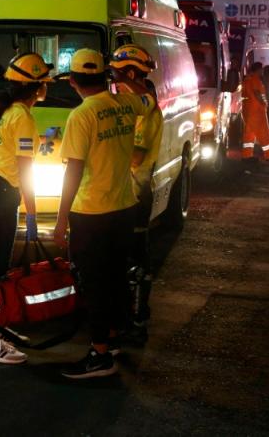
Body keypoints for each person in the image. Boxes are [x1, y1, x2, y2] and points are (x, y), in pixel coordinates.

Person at [53, 48, 155, 379]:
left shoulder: (81, 115)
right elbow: (149, 100)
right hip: (123, 208)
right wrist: (124, 77)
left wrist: (60, 218)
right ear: (104, 76)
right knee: (113, 279)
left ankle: (99, 355)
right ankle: (111, 342)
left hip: (91, 212)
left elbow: (73, 172)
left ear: (72, 81)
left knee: (95, 284)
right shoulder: (123, 103)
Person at [0, 52, 50, 365]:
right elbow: (24, 170)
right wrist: (32, 211)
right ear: (37, 88)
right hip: (4, 194)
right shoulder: (22, 116)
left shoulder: (8, 111)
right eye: (44, 81)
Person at [110, 44, 163, 345]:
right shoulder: (140, 104)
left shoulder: (143, 111)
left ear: (130, 74)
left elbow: (135, 157)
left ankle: (135, 319)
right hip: (132, 193)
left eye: (117, 76)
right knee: (133, 258)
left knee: (134, 261)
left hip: (134, 194)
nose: (114, 83)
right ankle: (133, 317)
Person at [241, 62, 269, 162]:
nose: (262, 72)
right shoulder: (255, 79)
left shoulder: (247, 79)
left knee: (249, 134)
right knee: (264, 132)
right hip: (257, 110)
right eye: (261, 70)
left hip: (249, 109)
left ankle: (247, 156)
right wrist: (263, 103)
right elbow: (257, 93)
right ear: (258, 69)